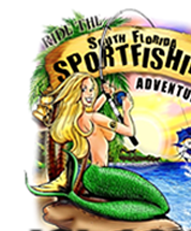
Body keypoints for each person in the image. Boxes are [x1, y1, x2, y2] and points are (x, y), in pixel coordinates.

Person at [29, 72, 169, 221]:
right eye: (84, 90)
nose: (89, 94)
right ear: (76, 93)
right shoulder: (95, 118)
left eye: (91, 89)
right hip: (99, 174)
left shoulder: (81, 117)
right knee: (161, 204)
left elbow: (93, 109)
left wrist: (105, 95)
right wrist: (126, 111)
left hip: (93, 175)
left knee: (151, 200)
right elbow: (129, 131)